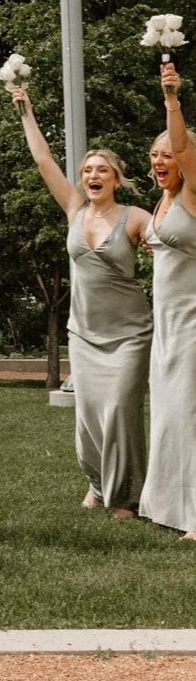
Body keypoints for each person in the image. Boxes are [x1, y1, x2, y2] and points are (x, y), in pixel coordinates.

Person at [10, 86, 152, 517]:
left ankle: (125, 496)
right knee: (88, 417)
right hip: (85, 333)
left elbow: (172, 242)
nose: (93, 175)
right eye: (88, 169)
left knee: (120, 414)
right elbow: (42, 161)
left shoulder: (136, 216)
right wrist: (26, 112)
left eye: (102, 170)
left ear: (116, 179)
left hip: (129, 332)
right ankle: (96, 483)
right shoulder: (74, 208)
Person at [140, 62, 196, 539]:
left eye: (168, 155)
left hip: (195, 323)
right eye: (154, 155)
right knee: (171, 413)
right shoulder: (162, 201)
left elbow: (183, 144)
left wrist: (172, 100)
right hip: (168, 326)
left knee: (190, 412)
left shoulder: (194, 193)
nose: (160, 161)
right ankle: (168, 507)